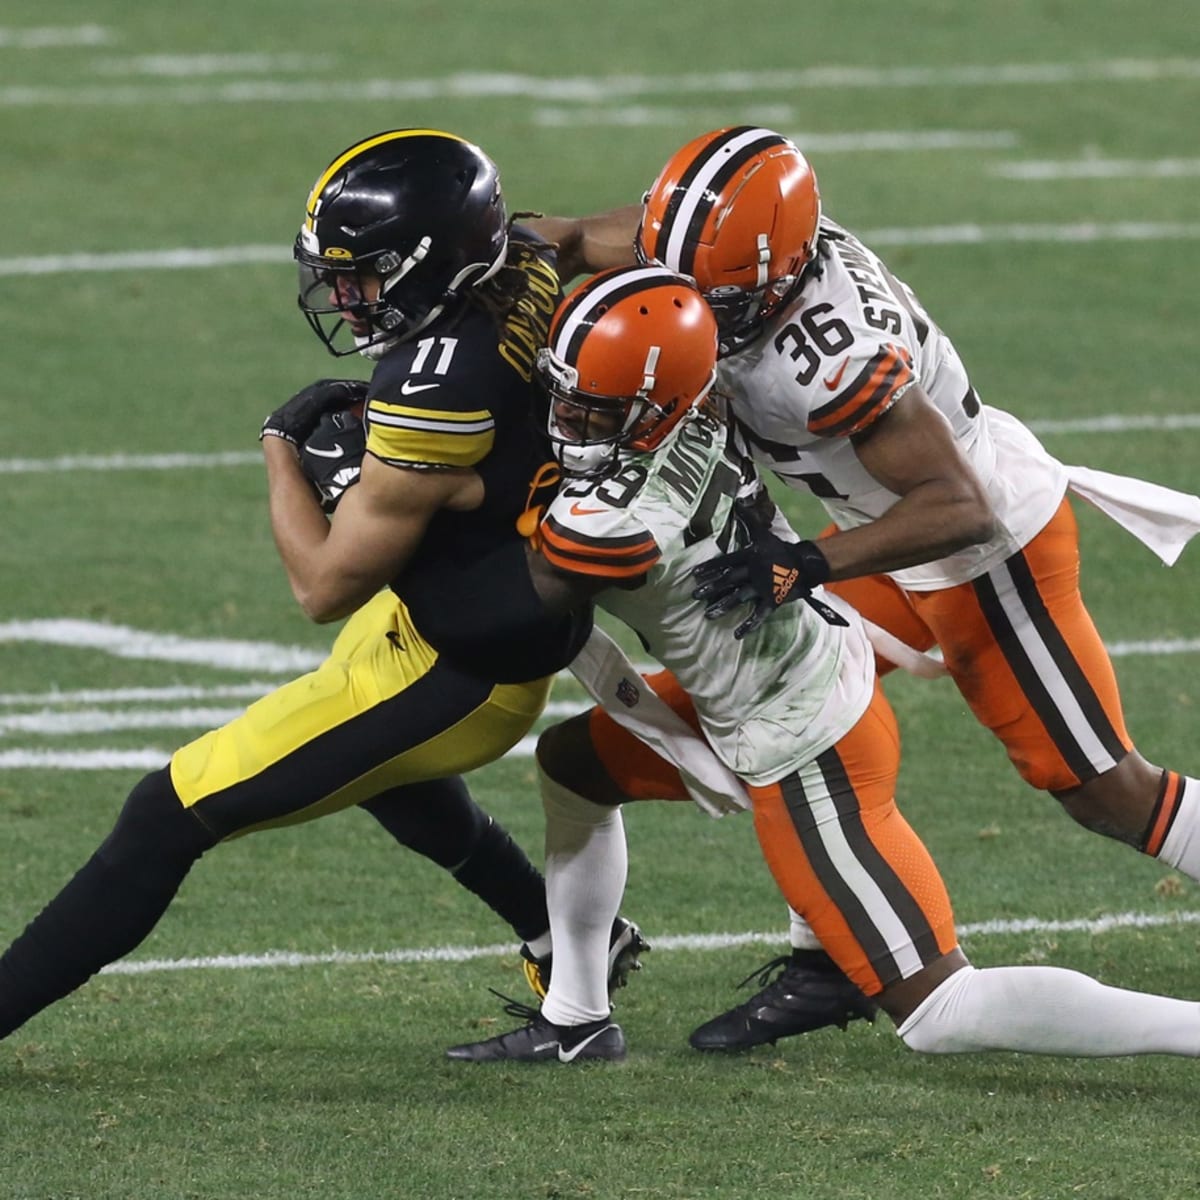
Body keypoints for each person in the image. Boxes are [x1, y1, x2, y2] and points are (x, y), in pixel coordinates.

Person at [525, 126, 1200, 1051]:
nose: (699, 310)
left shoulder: (827, 357)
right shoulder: (728, 245)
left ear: (779, 272)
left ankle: (870, 956)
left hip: (980, 553)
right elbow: (600, 243)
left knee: (1101, 789)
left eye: (718, 297)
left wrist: (809, 565)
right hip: (883, 538)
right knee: (801, 688)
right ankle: (835, 961)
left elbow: (960, 508)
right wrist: (513, 241)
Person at [0, 128, 645, 1044]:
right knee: (372, 772)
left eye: (366, 275)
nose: (346, 296)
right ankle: (558, 929)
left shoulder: (439, 389)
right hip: (465, 589)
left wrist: (281, 449)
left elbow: (322, 584)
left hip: (460, 669)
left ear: (432, 262)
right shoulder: (516, 262)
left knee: (168, 810)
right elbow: (597, 235)